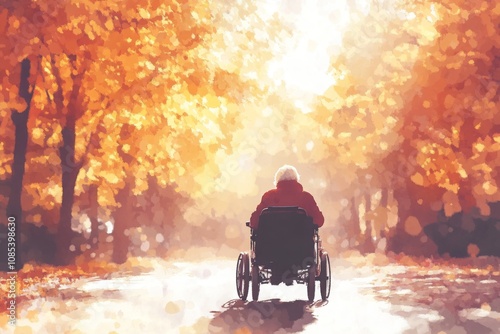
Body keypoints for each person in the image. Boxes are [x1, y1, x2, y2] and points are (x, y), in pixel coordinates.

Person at [249, 164, 324, 229]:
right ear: (296, 180)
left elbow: (254, 222)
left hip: (271, 244)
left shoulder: (269, 196)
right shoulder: (306, 198)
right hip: (301, 244)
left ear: (277, 180)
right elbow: (319, 221)